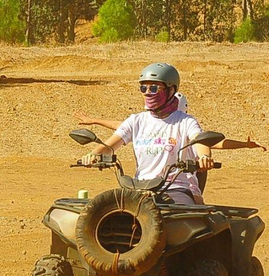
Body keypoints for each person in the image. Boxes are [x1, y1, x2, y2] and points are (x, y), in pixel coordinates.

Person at [75, 90, 266, 194]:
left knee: (199, 216)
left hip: (179, 183)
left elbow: (210, 143)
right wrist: (94, 124)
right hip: (143, 184)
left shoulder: (186, 125)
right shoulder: (142, 122)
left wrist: (243, 145)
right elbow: (121, 128)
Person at [80, 62, 213, 205]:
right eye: (143, 88)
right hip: (140, 187)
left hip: (175, 187)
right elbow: (109, 146)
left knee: (178, 215)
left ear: (171, 90)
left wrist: (204, 157)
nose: (148, 93)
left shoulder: (185, 121)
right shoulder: (136, 121)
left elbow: (199, 140)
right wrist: (93, 154)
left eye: (154, 88)